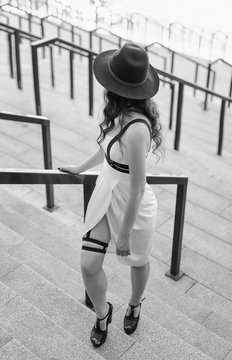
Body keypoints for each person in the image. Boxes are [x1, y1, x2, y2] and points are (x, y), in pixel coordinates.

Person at [58, 42, 164, 348]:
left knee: (138, 260)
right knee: (89, 264)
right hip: (107, 191)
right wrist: (80, 167)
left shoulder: (138, 129)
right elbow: (106, 148)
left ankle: (135, 303)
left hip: (133, 205)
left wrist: (126, 234)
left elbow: (137, 187)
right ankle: (103, 314)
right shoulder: (119, 112)